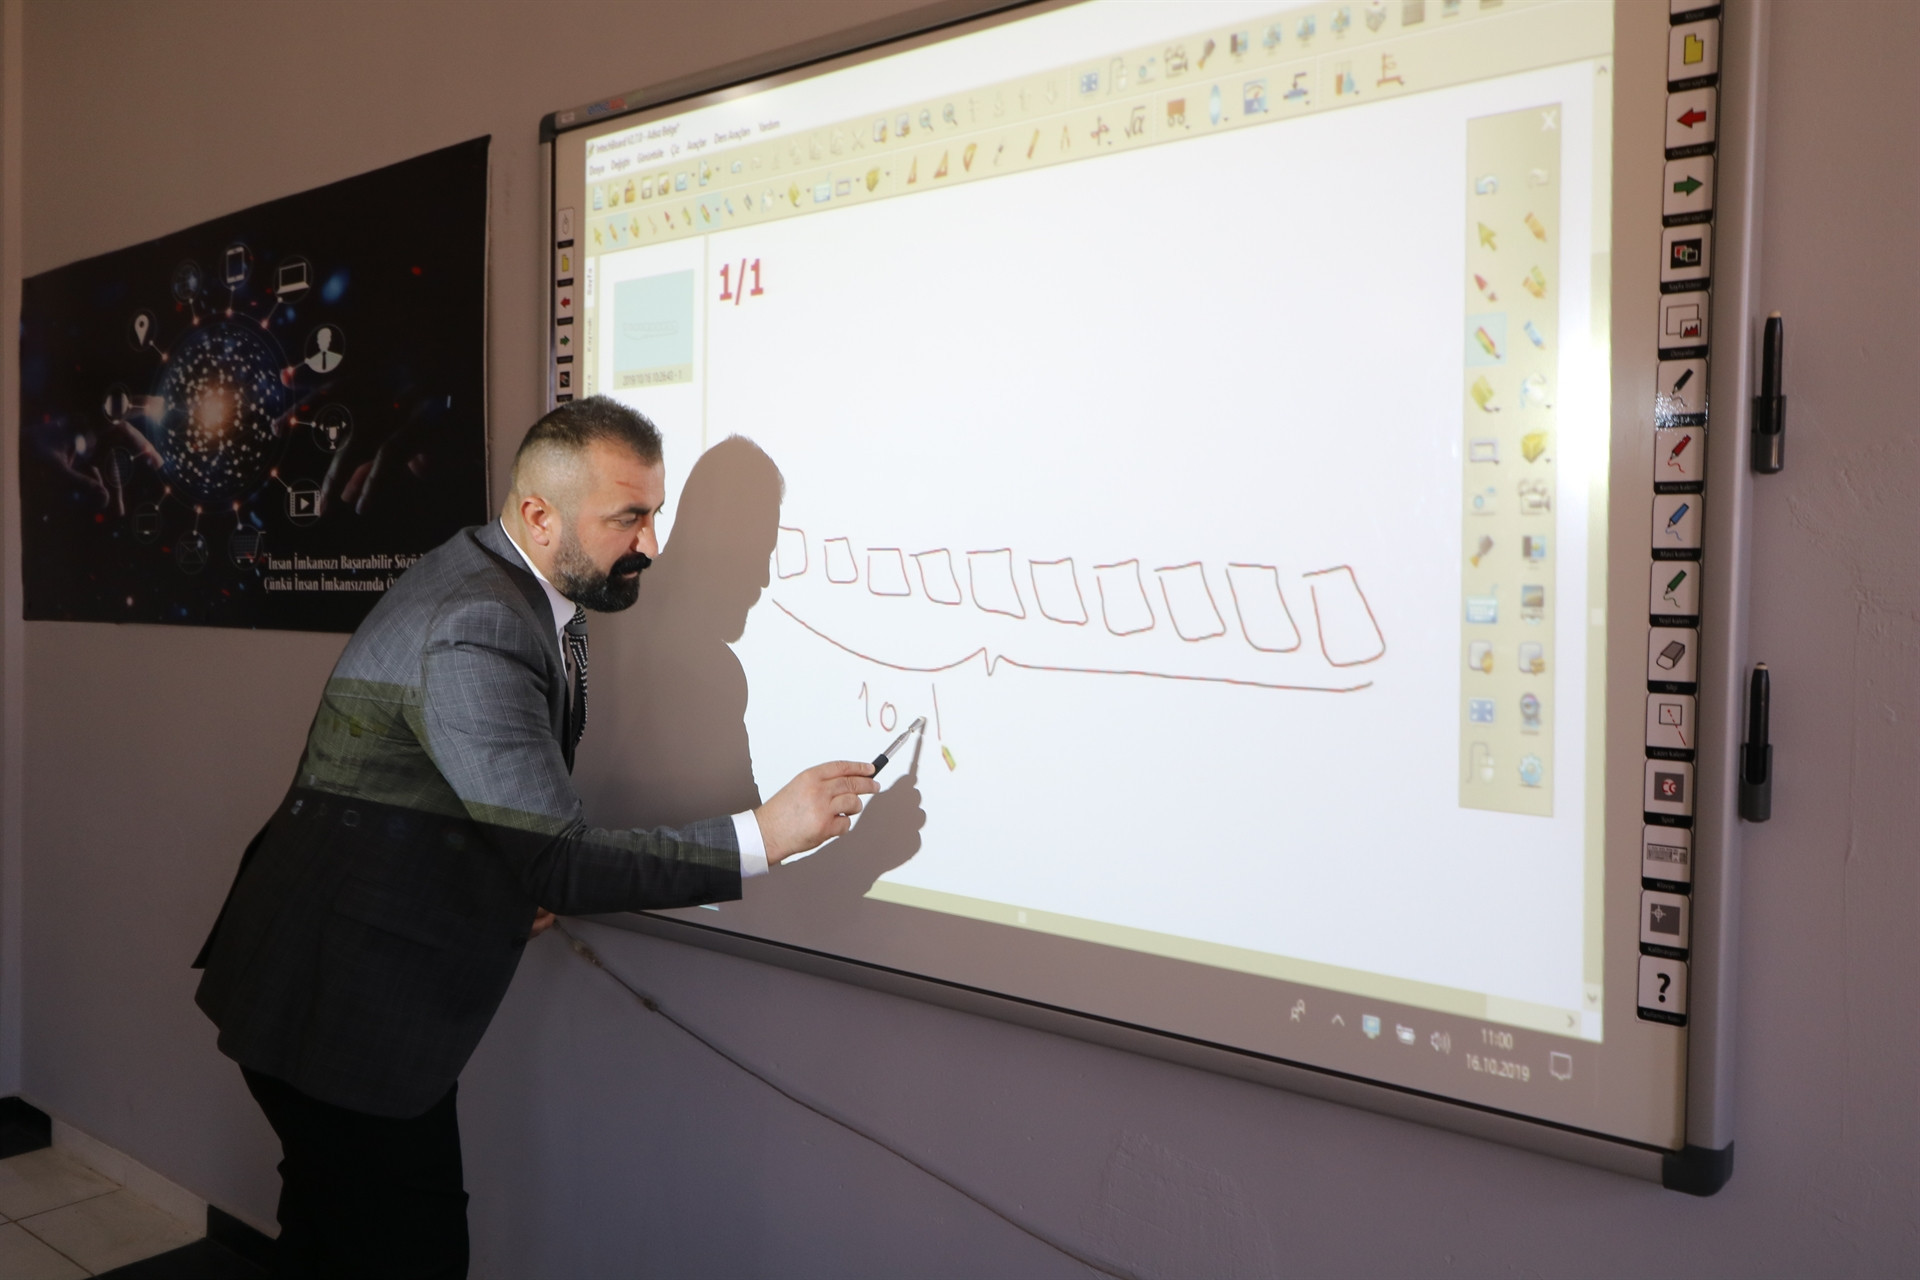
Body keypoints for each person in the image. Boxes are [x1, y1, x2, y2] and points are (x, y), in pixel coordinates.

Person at [193, 396, 877, 1278]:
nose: (652, 544)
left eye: (656, 513)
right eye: (628, 518)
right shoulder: (478, 624)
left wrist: (512, 882)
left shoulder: (511, 583)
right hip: (338, 1009)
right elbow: (556, 854)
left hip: (321, 975)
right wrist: (765, 834)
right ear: (539, 515)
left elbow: (449, 791)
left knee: (332, 1238)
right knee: (406, 1254)